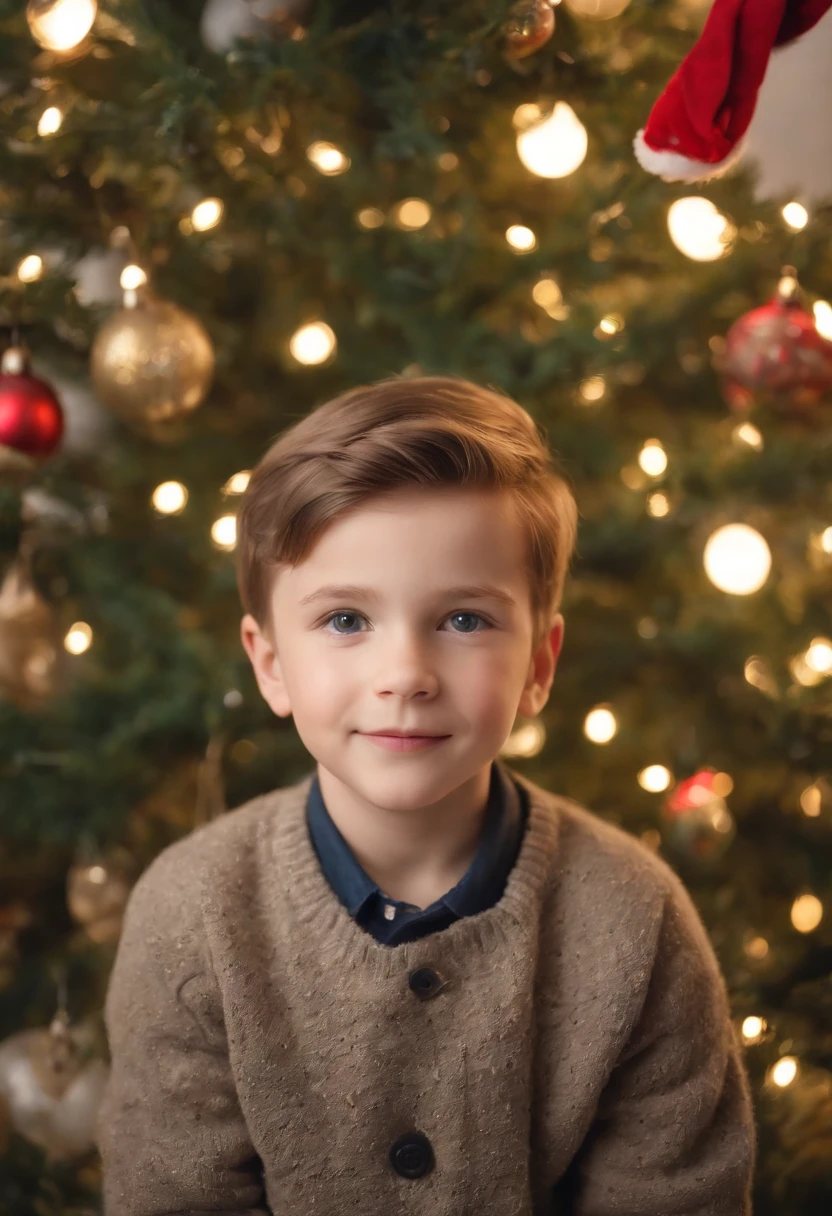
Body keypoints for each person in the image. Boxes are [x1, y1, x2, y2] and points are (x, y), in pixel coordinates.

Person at [97, 374, 756, 1215]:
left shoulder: (636, 921)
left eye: (464, 620)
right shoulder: (190, 916)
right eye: (345, 620)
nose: (404, 675)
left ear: (540, 666)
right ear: (270, 664)